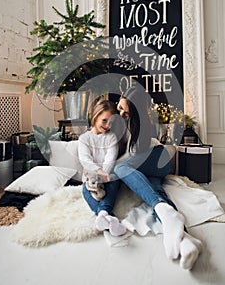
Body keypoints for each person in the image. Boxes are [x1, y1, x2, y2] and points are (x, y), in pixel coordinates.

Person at [114, 86, 202, 270]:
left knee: (121, 167)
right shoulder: (126, 122)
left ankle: (171, 220)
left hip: (156, 158)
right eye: (120, 107)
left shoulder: (141, 124)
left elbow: (131, 160)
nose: (119, 112)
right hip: (151, 168)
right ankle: (187, 242)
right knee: (156, 193)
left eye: (124, 110)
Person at [78, 98, 127, 237]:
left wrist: (103, 172)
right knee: (86, 191)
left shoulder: (111, 138)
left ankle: (103, 214)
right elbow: (85, 160)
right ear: (95, 117)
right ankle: (107, 216)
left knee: (114, 181)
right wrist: (98, 172)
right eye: (104, 120)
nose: (107, 125)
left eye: (110, 122)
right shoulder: (84, 138)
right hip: (91, 180)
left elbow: (109, 160)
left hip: (108, 177)